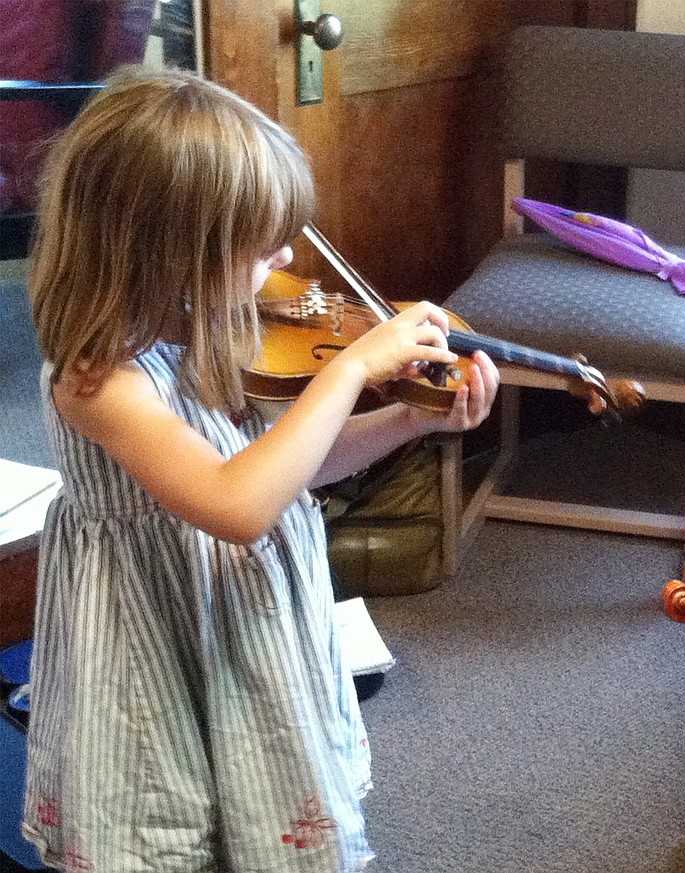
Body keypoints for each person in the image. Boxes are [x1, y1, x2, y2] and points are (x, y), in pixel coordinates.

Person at [21, 66, 499, 872]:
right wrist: (349, 373)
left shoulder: (209, 325)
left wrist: (411, 418)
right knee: (164, 808)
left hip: (244, 625)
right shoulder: (99, 376)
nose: (283, 257)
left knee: (261, 791)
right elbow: (235, 504)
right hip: (156, 626)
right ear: (168, 248)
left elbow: (284, 474)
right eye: (257, 242)